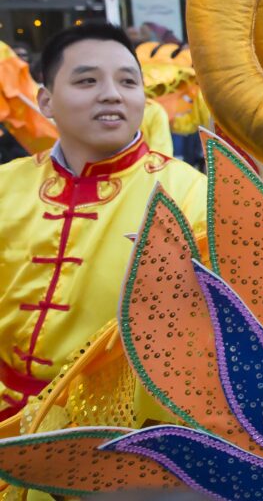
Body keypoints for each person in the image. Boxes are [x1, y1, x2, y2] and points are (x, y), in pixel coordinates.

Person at [0, 23, 207, 421]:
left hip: (123, 433)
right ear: (46, 102)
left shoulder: (189, 196)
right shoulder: (8, 185)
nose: (111, 93)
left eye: (128, 81)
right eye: (87, 80)